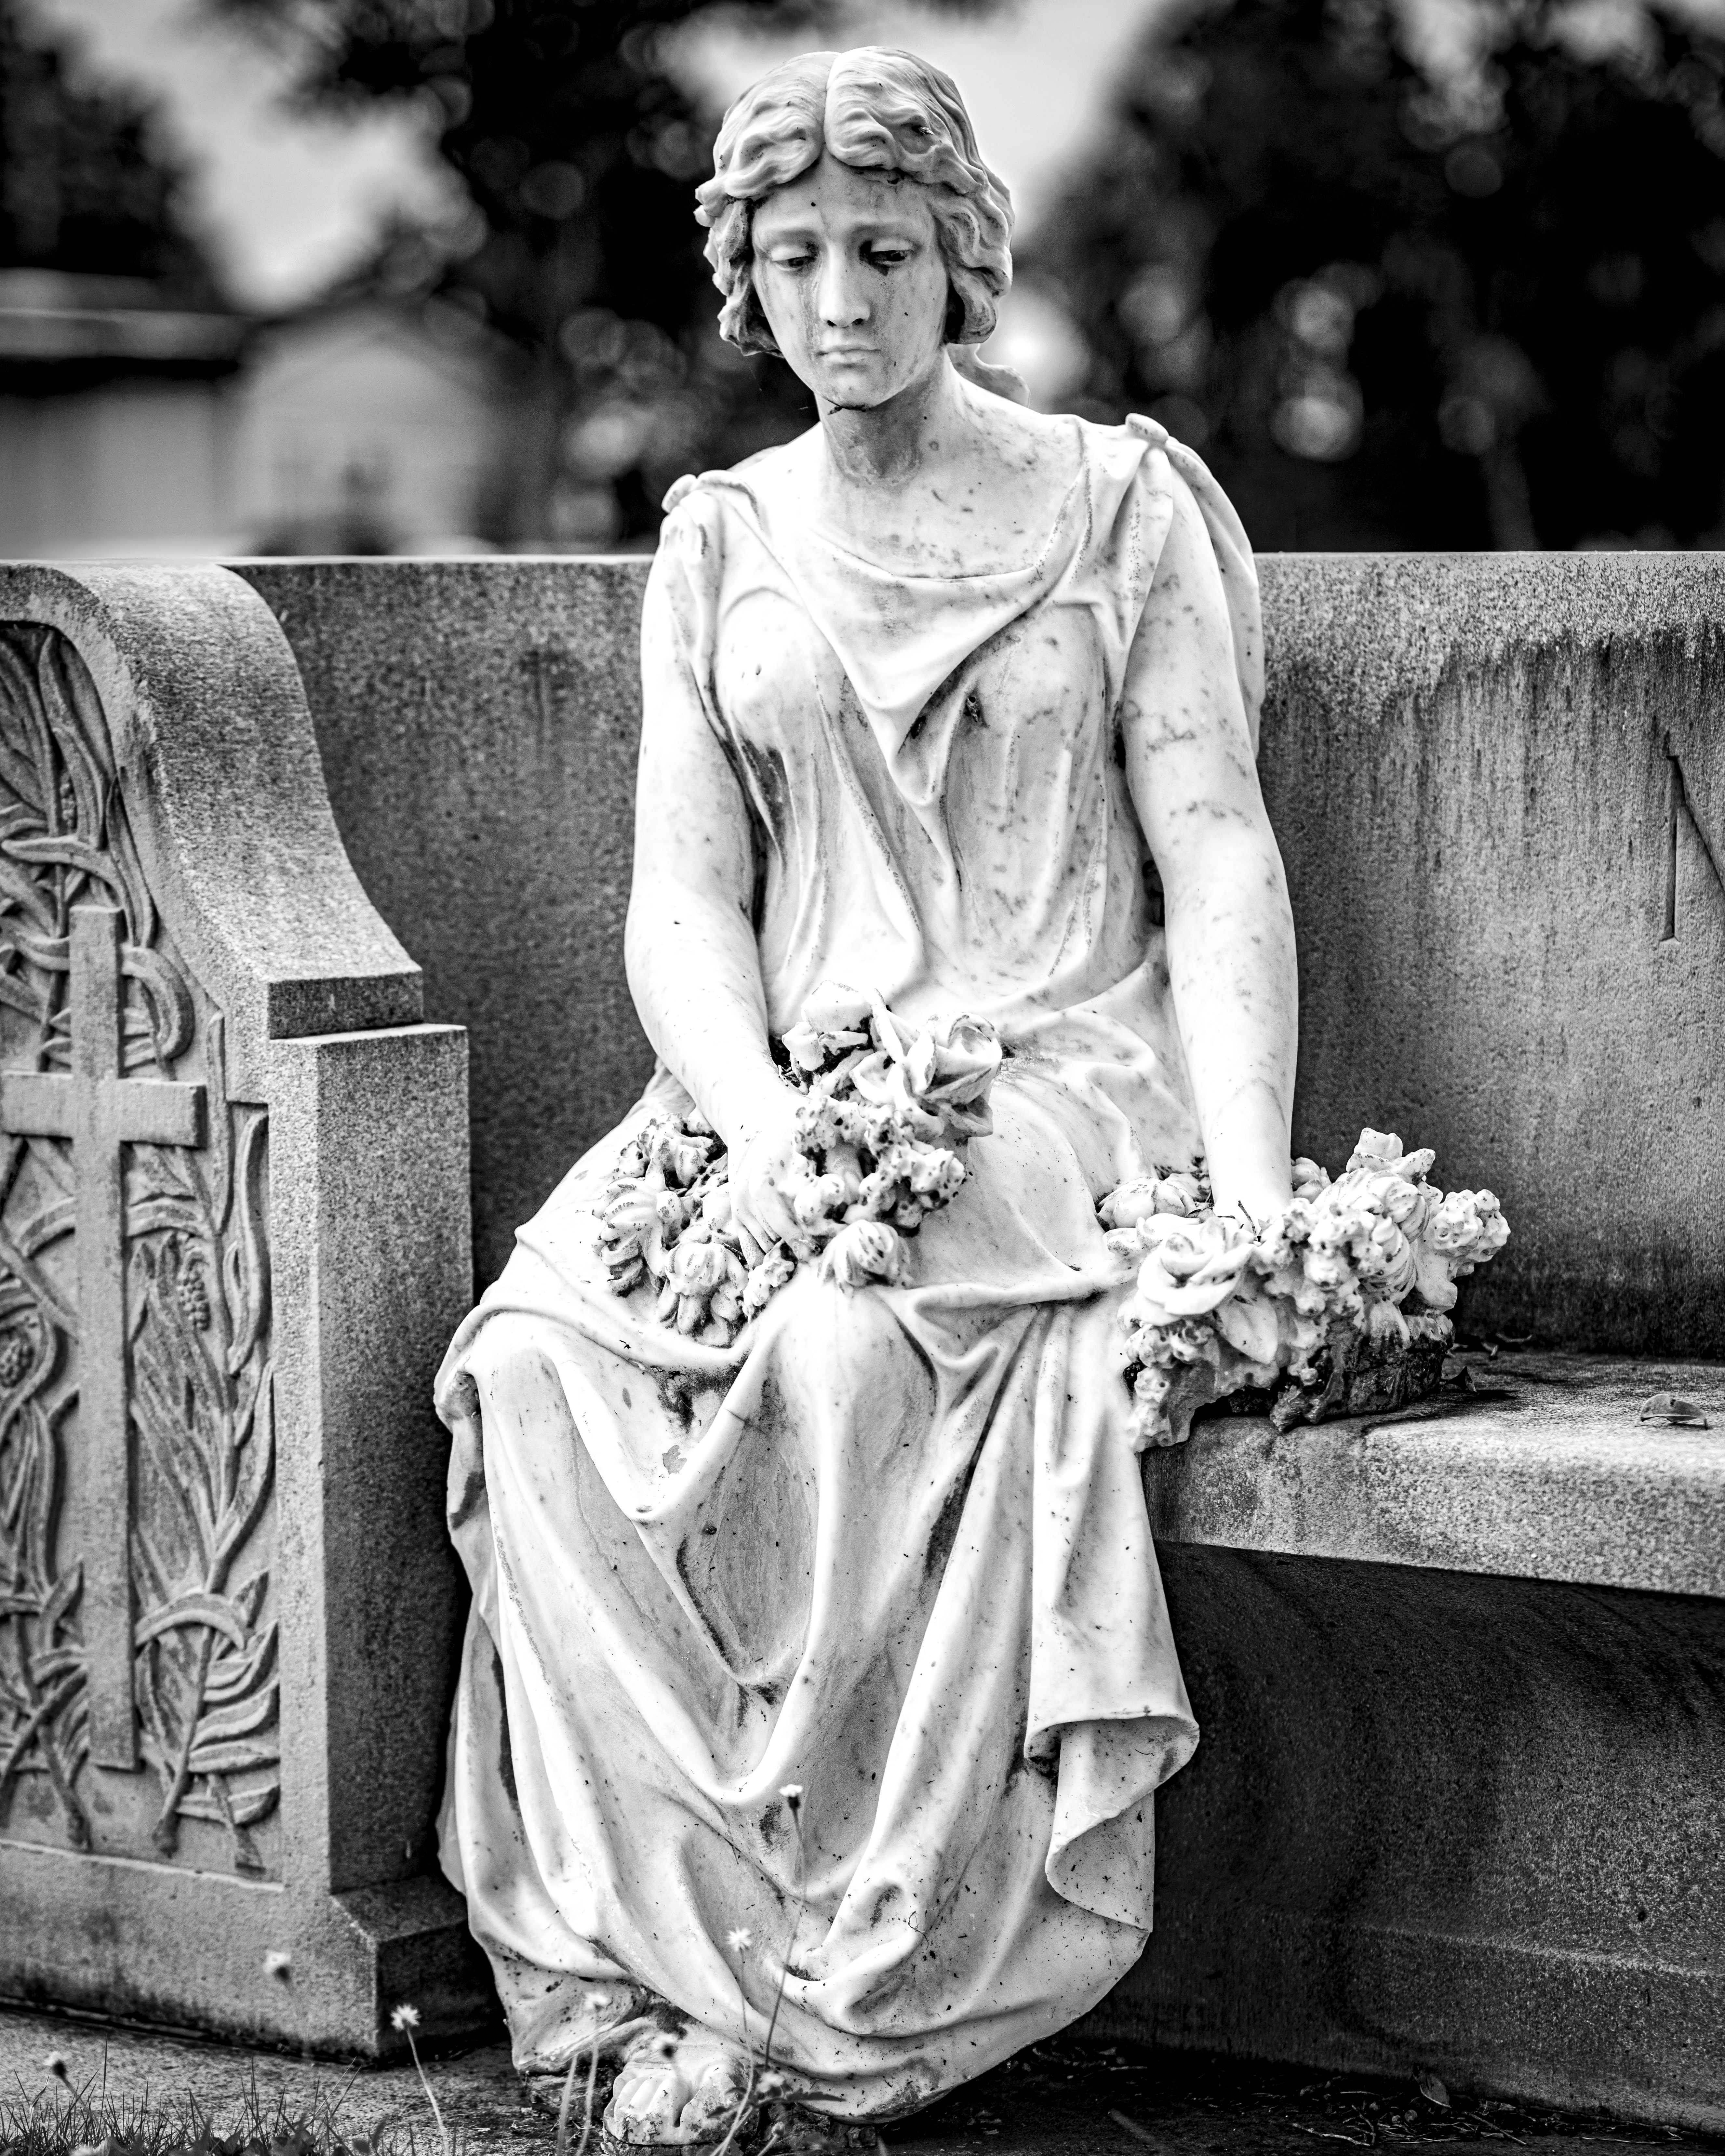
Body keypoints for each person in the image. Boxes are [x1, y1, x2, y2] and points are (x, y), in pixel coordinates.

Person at [434, 44, 1298, 2144]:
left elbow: (1216, 856)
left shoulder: (1117, 507)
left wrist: (1254, 1201)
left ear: (962, 255)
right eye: (796, 254)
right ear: (745, 278)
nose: (841, 299)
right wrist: (746, 1122)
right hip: (781, 1085)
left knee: (836, 1352)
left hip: (1050, 1074)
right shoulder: (720, 539)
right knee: (539, 1358)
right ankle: (644, 1949)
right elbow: (680, 908)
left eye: (885, 249)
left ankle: (856, 1966)